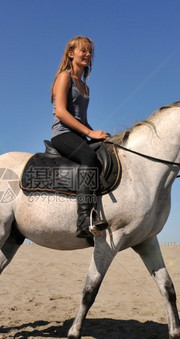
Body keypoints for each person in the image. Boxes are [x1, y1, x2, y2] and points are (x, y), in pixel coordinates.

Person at [50, 36, 109, 238]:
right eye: (83, 50)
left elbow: (82, 119)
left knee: (106, 152)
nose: (87, 54)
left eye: (89, 51)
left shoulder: (85, 87)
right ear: (71, 54)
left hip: (79, 135)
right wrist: (89, 133)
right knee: (88, 157)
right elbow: (60, 112)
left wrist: (97, 134)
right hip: (63, 134)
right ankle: (84, 219)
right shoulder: (64, 77)